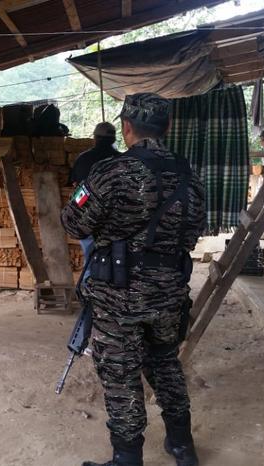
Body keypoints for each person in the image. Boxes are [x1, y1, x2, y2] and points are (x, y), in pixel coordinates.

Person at [60, 93, 206, 466]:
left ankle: (127, 458)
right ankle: (182, 446)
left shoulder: (109, 172)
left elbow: (73, 222)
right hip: (169, 292)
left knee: (121, 372)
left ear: (126, 128)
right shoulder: (190, 175)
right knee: (165, 363)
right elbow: (191, 235)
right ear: (167, 127)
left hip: (118, 295)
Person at [68, 122, 122, 271]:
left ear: (95, 138)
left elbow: (76, 188)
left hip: (88, 219)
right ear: (113, 139)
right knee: (115, 261)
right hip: (115, 221)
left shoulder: (83, 159)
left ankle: (88, 291)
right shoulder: (122, 160)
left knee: (91, 262)